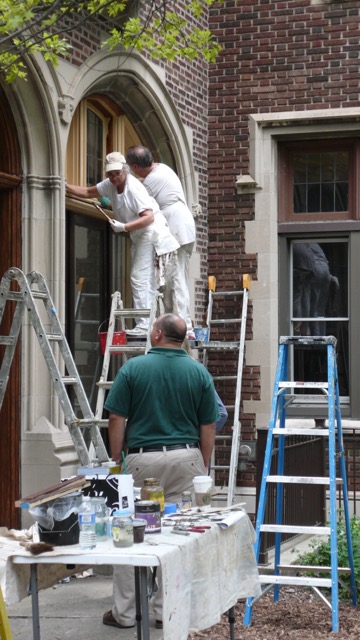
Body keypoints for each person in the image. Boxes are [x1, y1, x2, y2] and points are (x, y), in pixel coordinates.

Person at [102, 313, 218, 630]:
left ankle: (125, 613)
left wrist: (116, 459)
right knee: (178, 535)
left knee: (130, 533)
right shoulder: (198, 372)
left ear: (156, 333)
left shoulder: (134, 369)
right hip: (186, 459)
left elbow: (116, 418)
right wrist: (201, 466)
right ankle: (166, 612)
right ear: (181, 339)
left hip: (143, 461)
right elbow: (208, 425)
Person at [66, 152, 179, 336]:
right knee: (145, 280)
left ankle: (144, 326)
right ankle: (149, 323)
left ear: (125, 170)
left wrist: (124, 226)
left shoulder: (134, 188)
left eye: (117, 173)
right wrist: (64, 186)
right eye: (110, 174)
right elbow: (88, 192)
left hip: (151, 234)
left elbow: (148, 217)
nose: (114, 177)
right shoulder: (110, 184)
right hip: (139, 235)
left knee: (139, 277)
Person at [126, 145, 196, 339]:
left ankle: (184, 327)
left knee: (176, 279)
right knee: (171, 280)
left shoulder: (153, 180)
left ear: (134, 166)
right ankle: (176, 324)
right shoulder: (162, 168)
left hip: (177, 229)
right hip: (178, 228)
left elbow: (134, 198)